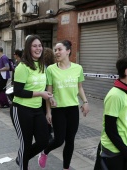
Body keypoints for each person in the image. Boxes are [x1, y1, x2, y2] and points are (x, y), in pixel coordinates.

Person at [38, 40, 89, 170]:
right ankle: (45, 152)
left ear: (68, 51)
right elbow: (49, 92)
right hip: (58, 109)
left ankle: (66, 167)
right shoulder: (51, 69)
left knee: (70, 140)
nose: (56, 52)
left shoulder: (78, 68)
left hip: (72, 109)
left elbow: (80, 88)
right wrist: (48, 112)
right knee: (59, 140)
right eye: (55, 50)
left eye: (59, 49)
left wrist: (85, 102)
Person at [11, 35, 53, 170]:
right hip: (21, 109)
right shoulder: (22, 67)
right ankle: (23, 163)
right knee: (26, 143)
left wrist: (49, 97)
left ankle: (21, 157)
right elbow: (17, 91)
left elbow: (44, 87)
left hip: (37, 110)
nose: (38, 48)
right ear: (28, 48)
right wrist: (40, 94)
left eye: (40, 45)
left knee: (44, 140)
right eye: (34, 46)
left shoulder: (42, 66)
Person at [97, 57, 127, 170]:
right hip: (114, 150)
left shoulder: (125, 92)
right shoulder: (115, 95)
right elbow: (110, 129)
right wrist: (125, 150)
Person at [42, 47, 56, 142]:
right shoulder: (55, 67)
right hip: (54, 95)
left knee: (46, 113)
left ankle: (47, 134)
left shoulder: (44, 68)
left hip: (45, 95)